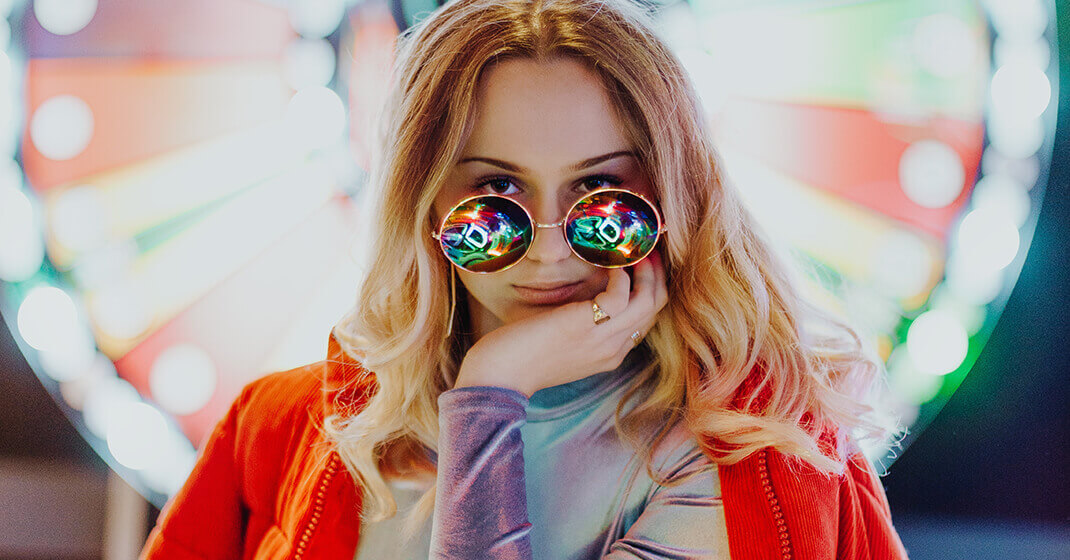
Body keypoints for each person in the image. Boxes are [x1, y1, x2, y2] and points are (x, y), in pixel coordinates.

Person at [140, 1, 909, 558]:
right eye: (496, 198)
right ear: (426, 204)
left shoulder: (743, 457)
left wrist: (491, 392)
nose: (547, 252)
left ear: (675, 199)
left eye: (600, 197)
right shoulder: (279, 429)